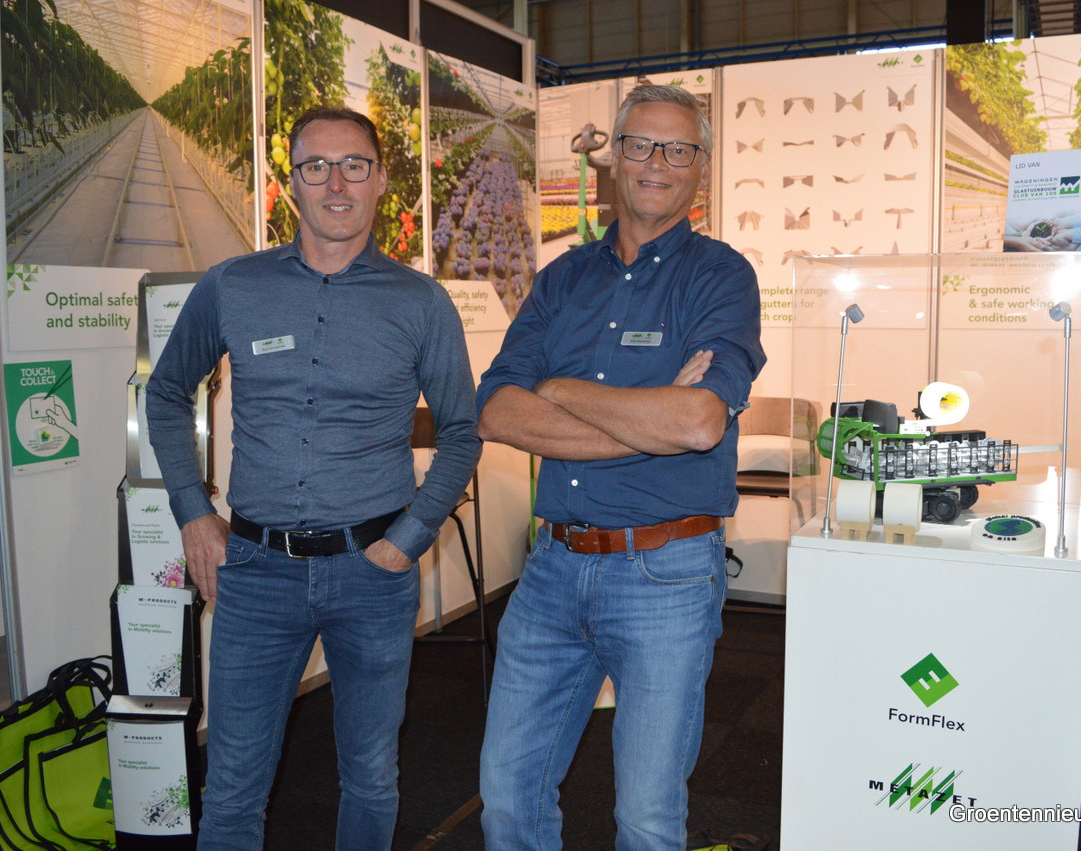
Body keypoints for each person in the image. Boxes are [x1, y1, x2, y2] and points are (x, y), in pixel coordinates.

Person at [146, 105, 480, 849]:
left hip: (374, 574)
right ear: (289, 182)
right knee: (232, 786)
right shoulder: (233, 286)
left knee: (370, 775)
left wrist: (408, 539)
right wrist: (193, 511)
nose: (336, 183)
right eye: (316, 166)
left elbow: (462, 431)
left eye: (354, 165)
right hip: (255, 573)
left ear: (380, 180)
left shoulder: (421, 302)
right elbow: (165, 393)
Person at [475, 85, 765, 849]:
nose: (656, 163)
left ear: (701, 167)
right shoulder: (563, 278)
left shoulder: (720, 277)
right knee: (506, 798)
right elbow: (496, 411)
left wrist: (561, 390)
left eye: (678, 149)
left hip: (665, 573)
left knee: (645, 816)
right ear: (614, 160)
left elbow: (699, 422)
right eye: (639, 144)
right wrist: (651, 418)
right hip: (550, 570)